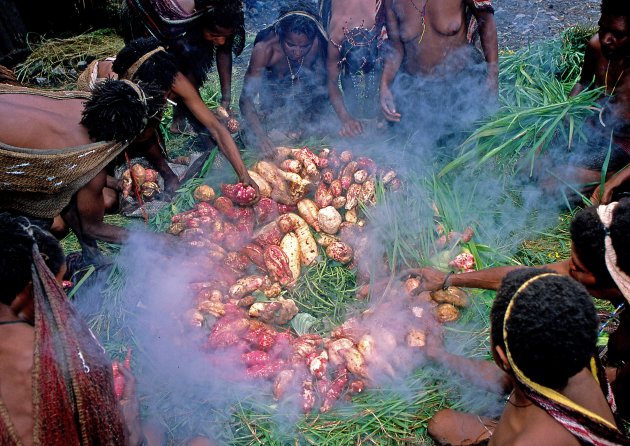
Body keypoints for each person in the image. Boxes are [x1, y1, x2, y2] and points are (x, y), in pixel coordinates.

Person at [407, 198, 630, 419]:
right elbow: (528, 276)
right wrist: (448, 279)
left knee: (445, 425)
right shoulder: (611, 262)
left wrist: (439, 355)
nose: (569, 268)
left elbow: (513, 381)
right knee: (618, 345)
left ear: (615, 280)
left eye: (577, 267)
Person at [427, 269, 629, 445]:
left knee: (442, 425)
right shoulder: (573, 362)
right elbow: (502, 379)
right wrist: (438, 354)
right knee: (443, 422)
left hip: (538, 434)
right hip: (555, 422)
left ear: (502, 358)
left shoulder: (526, 440)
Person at [0, 213, 145, 445]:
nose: (63, 300)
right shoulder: (58, 354)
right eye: (57, 289)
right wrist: (130, 420)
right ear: (29, 291)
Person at [0, 80, 165, 262]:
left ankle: (92, 257)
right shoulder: (88, 155)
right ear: (138, 132)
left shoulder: (86, 104)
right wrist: (156, 240)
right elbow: (92, 227)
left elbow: (72, 186)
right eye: (154, 127)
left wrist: (117, 183)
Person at [112, 37, 259, 196]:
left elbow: (216, 128)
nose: (165, 98)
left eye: (165, 93)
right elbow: (143, 135)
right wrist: (168, 174)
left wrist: (243, 174)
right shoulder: (120, 88)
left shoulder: (175, 80)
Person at [379, 0, 498, 142]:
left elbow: (486, 22)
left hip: (460, 90)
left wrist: (492, 75)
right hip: (417, 93)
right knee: (410, 148)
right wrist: (385, 85)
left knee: (463, 146)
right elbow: (396, 47)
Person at [239, 2, 329, 155]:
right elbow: (245, 99)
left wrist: (312, 120)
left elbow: (323, 88)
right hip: (273, 101)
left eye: (304, 46)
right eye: (291, 45)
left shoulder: (318, 45)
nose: (297, 52)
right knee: (255, 137)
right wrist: (261, 137)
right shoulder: (264, 50)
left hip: (306, 101)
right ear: (281, 36)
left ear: (312, 40)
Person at [567, 0, 630, 196]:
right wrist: (568, 110)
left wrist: (614, 181)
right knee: (528, 166)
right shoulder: (595, 47)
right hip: (593, 128)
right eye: (602, 28)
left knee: (554, 185)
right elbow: (583, 82)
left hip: (623, 145)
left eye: (617, 34)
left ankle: (614, 176)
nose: (605, 39)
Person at [320, 0, 387, 136]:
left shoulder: (381, 29)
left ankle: (374, 113)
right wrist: (346, 119)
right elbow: (331, 83)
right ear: (342, 56)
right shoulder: (336, 37)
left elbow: (393, 66)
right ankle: (356, 112)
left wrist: (384, 108)